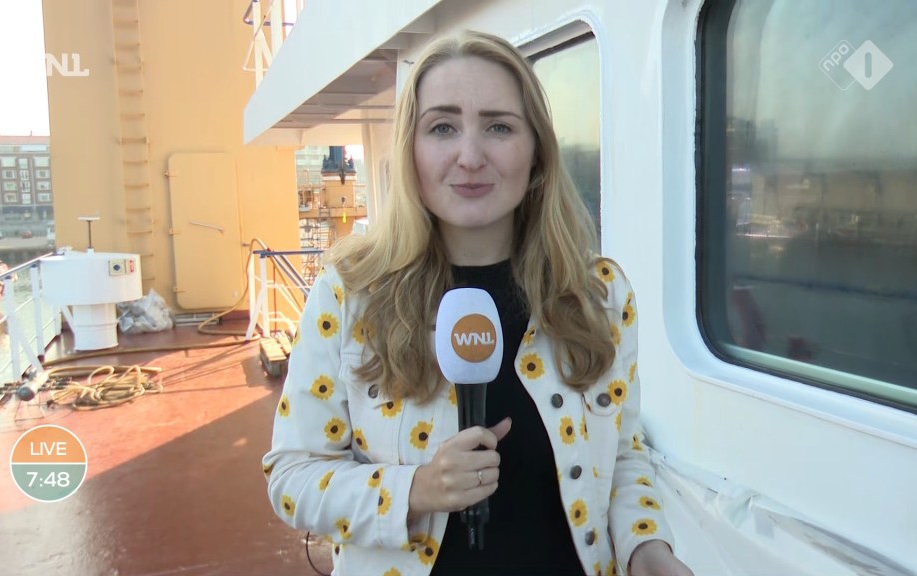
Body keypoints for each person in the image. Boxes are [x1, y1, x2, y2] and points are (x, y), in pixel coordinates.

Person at [263, 30, 693, 576]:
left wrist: (646, 548)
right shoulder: (350, 295)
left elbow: (624, 454)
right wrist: (415, 489)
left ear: (536, 152)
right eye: (442, 127)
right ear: (410, 149)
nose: (469, 157)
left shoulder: (600, 295)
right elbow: (292, 476)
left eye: (498, 127)